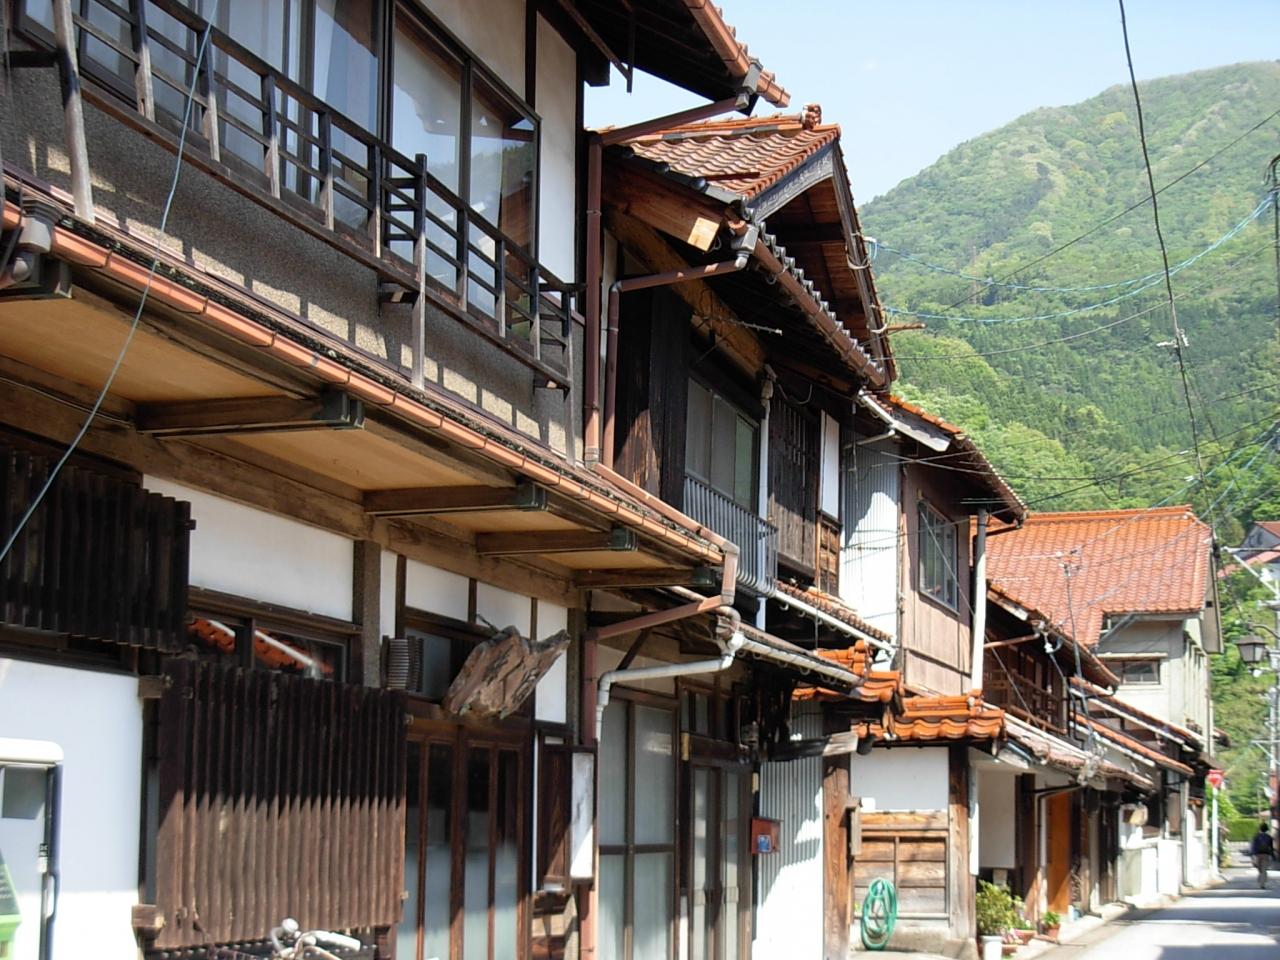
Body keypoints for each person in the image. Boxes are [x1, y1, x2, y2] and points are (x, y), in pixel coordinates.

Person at [1248, 822, 1274, 888]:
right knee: (1264, 869)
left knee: (1259, 868)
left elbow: (1253, 846)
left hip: (1257, 854)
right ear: (1267, 829)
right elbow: (1271, 847)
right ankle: (1262, 882)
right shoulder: (1269, 837)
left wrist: (1252, 855)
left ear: (1260, 829)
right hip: (1266, 854)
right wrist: (1272, 855)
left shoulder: (1256, 836)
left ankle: (1262, 881)